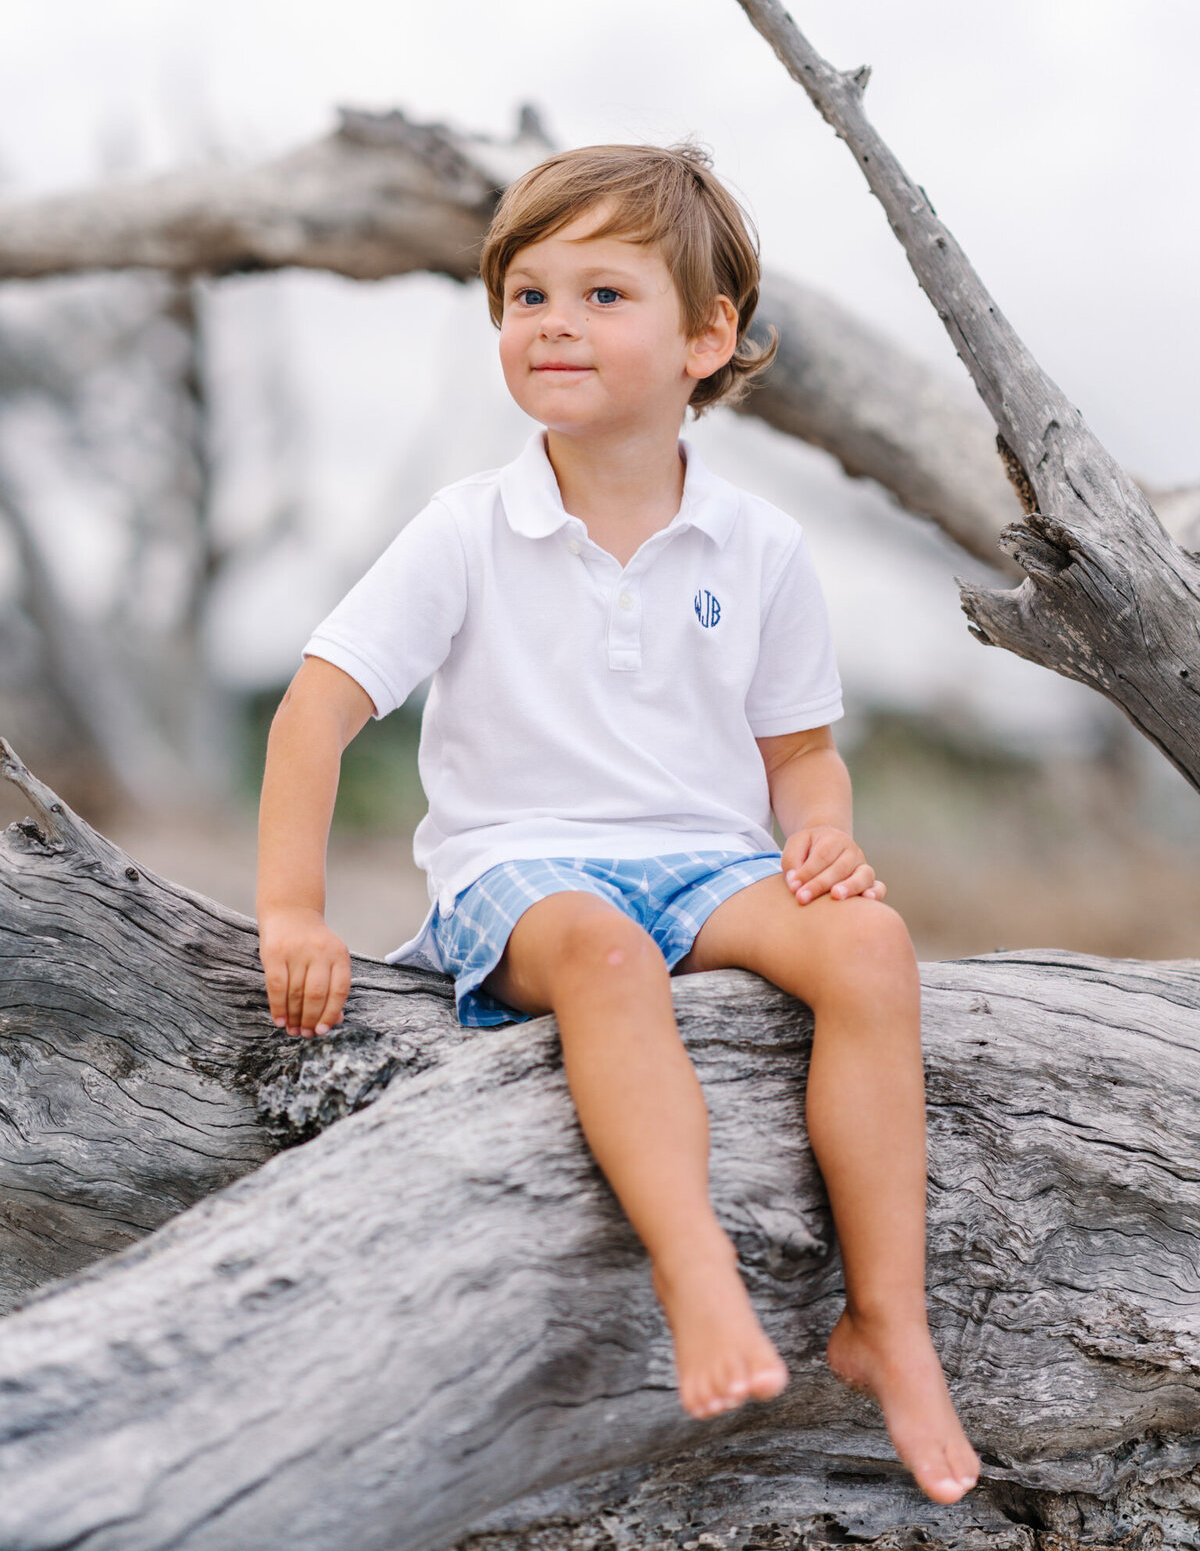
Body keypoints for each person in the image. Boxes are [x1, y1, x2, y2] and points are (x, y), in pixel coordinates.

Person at [256, 142, 980, 1504]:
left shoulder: (759, 547)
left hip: (710, 866)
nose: (553, 325)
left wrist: (821, 835)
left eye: (601, 295)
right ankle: (694, 1269)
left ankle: (889, 1320)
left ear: (710, 337)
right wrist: (293, 911)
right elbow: (314, 711)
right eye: (526, 295)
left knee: (873, 950)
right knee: (602, 955)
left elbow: (804, 757)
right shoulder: (469, 528)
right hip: (518, 874)